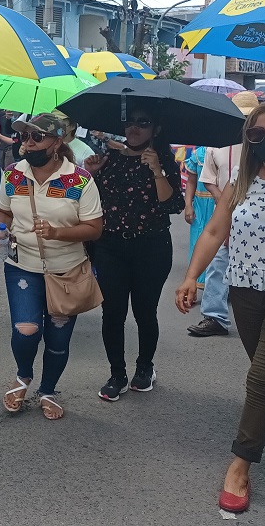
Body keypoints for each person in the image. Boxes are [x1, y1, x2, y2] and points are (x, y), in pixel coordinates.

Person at [176, 101, 265, 513]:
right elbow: (215, 230)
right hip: (246, 292)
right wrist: (192, 277)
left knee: (260, 377)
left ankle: (240, 463)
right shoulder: (241, 180)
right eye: (257, 134)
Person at [0, 114, 103, 420]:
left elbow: (94, 228)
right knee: (26, 330)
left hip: (67, 270)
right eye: (25, 137)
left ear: (57, 142)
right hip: (21, 265)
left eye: (36, 137)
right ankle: (23, 376)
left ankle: (48, 390)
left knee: (57, 340)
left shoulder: (79, 180)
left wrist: (57, 233)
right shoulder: (13, 173)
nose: (27, 143)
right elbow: (3, 210)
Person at [84, 108, 184, 401]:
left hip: (151, 247)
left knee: (144, 311)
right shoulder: (109, 160)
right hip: (111, 246)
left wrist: (156, 170)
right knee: (112, 312)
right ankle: (117, 373)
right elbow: (89, 202)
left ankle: (145, 368)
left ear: (156, 129)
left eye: (144, 122)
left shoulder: (165, 161)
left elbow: (172, 205)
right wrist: (90, 175)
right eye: (130, 122)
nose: (134, 128)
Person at [187, 92, 259, 338]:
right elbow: (208, 180)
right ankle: (215, 316)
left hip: (258, 214)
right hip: (227, 209)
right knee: (218, 262)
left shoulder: (262, 143)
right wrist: (226, 205)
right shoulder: (214, 146)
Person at [184, 146, 214, 289]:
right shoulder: (199, 154)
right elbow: (191, 181)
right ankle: (194, 282)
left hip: (219, 204)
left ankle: (218, 285)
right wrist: (188, 205)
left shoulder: (228, 153)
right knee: (196, 241)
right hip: (200, 205)